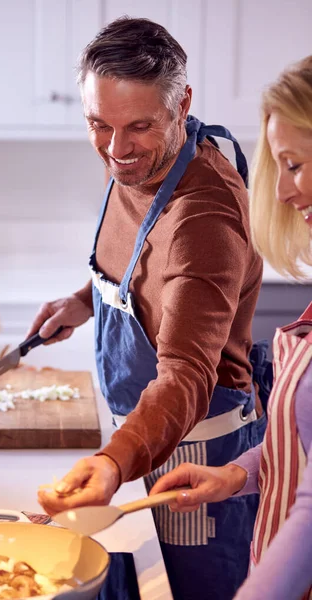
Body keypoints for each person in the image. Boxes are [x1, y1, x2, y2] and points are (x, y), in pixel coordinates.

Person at [31, 17, 267, 599]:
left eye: (137, 126)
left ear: (182, 104)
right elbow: (145, 272)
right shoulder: (138, 160)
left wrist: (113, 464)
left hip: (196, 460)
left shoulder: (203, 216)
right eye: (98, 125)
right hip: (141, 443)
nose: (116, 150)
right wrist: (84, 301)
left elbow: (187, 372)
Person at [150, 55, 312, 600]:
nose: (286, 193)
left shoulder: (208, 206)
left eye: (294, 164)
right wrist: (238, 474)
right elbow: (302, 446)